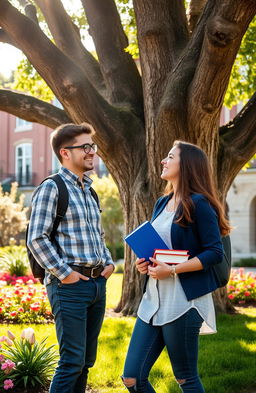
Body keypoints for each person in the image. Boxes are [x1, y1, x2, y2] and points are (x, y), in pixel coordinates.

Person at [122, 140, 231, 393]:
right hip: (153, 301)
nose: (163, 160)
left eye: (170, 156)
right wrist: (146, 262)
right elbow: (165, 249)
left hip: (183, 302)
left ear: (187, 166)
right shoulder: (162, 203)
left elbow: (214, 252)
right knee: (132, 377)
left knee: (185, 378)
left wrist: (170, 270)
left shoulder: (199, 204)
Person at [27, 123, 115, 393]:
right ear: (65, 152)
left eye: (93, 146)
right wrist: (64, 273)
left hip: (97, 285)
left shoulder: (89, 190)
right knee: (71, 362)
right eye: (85, 147)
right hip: (69, 287)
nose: (92, 152)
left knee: (86, 361)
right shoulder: (52, 188)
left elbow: (96, 234)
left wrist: (109, 261)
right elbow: (36, 238)